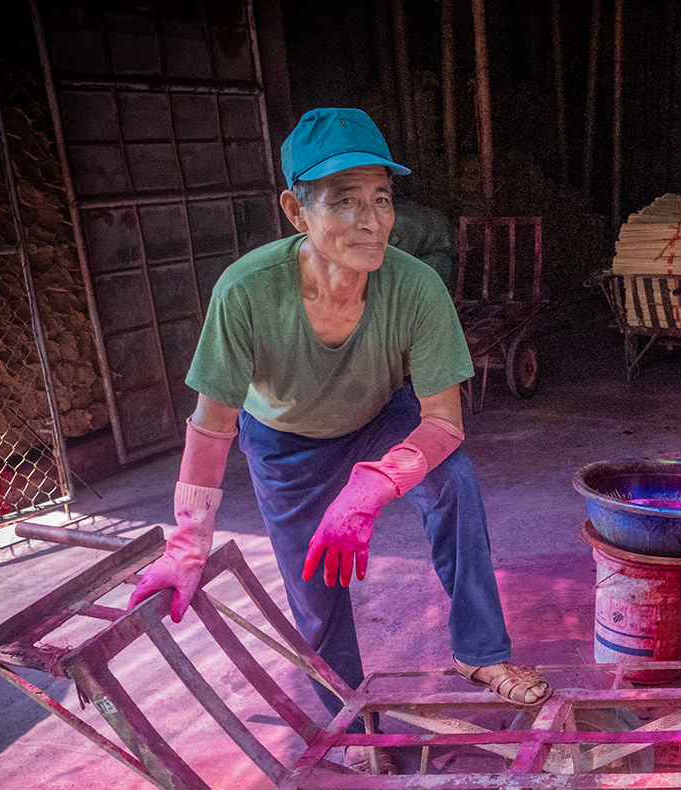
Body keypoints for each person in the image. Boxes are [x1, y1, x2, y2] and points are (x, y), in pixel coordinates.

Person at [127, 107, 550, 729]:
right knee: (315, 585)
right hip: (283, 442)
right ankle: (347, 720)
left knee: (453, 481)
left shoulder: (415, 286)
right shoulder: (246, 291)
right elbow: (213, 425)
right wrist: (189, 541)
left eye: (381, 198)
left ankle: (480, 653)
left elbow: (444, 421)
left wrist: (374, 483)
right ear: (296, 212)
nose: (371, 221)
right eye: (344, 200)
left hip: (382, 418)